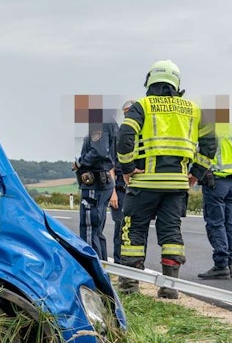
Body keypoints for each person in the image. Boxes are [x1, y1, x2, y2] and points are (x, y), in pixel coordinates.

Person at [115, 60, 216, 298]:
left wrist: (128, 168)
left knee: (133, 233)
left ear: (150, 80)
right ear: (176, 82)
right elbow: (210, 144)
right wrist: (196, 174)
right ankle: (170, 288)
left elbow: (125, 136)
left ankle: (130, 288)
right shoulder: (193, 109)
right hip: (176, 185)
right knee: (172, 234)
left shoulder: (143, 106)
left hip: (144, 183)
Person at [198, 121, 232, 279]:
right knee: (229, 224)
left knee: (215, 223)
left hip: (216, 180)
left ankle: (221, 264)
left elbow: (205, 150)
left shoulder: (213, 127)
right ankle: (230, 263)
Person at [73, 121, 117, 260]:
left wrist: (79, 163)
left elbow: (99, 151)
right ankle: (103, 269)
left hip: (95, 184)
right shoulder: (111, 122)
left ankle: (92, 272)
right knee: (97, 232)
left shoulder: (99, 122)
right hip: (103, 183)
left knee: (89, 231)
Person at [109, 100, 134, 256]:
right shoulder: (118, 135)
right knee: (121, 227)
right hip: (120, 188)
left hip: (138, 188)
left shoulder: (143, 135)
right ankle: (120, 264)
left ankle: (134, 266)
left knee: (135, 229)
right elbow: (109, 164)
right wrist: (112, 192)